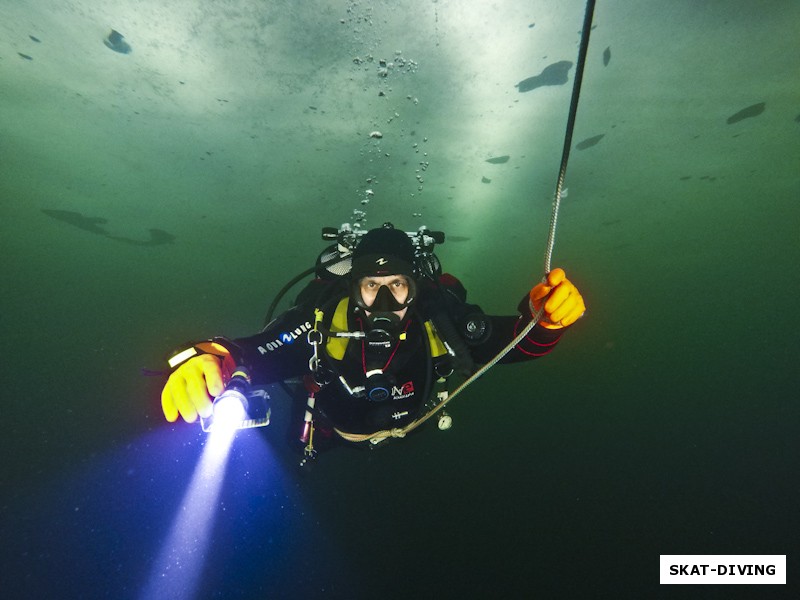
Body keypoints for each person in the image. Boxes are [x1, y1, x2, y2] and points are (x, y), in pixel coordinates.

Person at [160, 223, 585, 450]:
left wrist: (545, 319)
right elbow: (258, 350)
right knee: (309, 445)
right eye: (370, 286)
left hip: (412, 435)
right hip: (331, 430)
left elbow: (514, 344)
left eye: (397, 284)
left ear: (414, 287)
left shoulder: (438, 321)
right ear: (352, 286)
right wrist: (210, 355)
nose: (384, 300)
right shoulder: (322, 322)